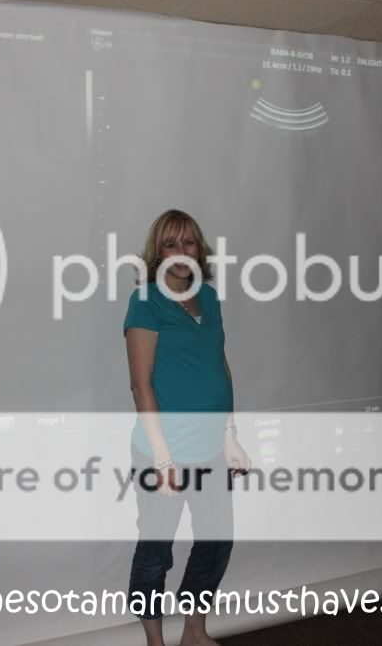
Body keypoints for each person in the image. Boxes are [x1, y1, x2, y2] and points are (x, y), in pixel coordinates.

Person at [124, 209, 251, 646]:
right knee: (155, 551)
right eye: (170, 244)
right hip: (163, 452)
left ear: (200, 249)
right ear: (158, 253)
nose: (181, 252)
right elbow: (141, 385)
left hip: (211, 450)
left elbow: (220, 366)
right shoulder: (146, 301)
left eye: (189, 242)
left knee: (216, 542)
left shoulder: (209, 298)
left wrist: (230, 437)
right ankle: (154, 641)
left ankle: (194, 632)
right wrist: (163, 460)